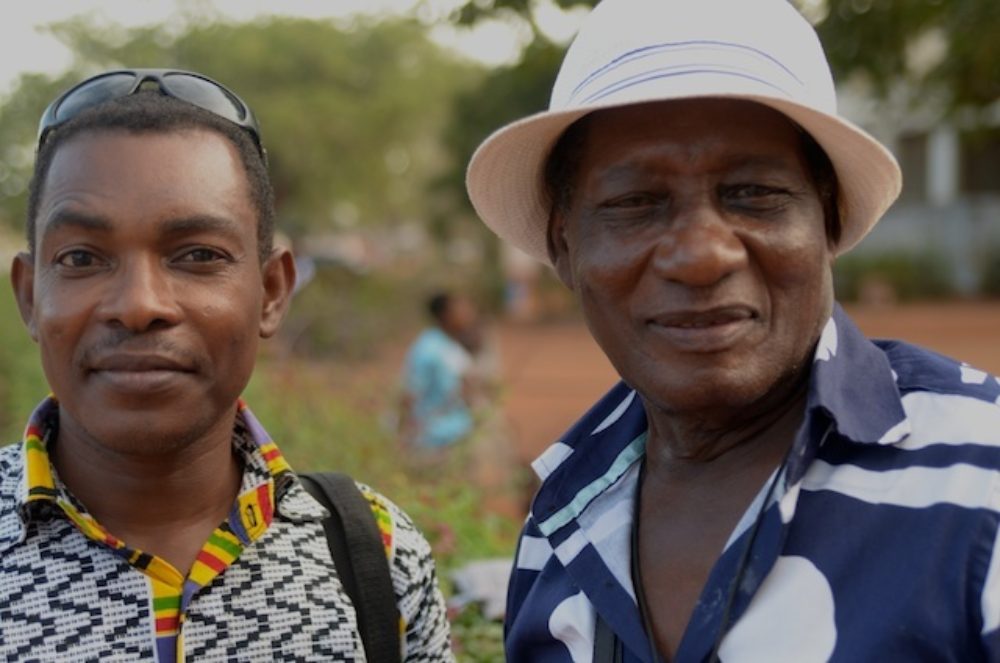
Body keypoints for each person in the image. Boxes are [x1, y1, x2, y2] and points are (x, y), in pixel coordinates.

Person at [465, 1, 1000, 661]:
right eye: (635, 202)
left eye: (754, 192)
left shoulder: (979, 479)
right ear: (565, 247)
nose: (700, 256)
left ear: (828, 221)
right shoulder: (562, 515)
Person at [1, 69, 453, 661]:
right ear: (31, 297)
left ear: (270, 292)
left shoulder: (374, 556)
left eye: (198, 255)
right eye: (82, 257)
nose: (139, 306)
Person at [399, 292, 485, 454]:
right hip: (431, 441)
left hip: (457, 434)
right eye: (461, 309)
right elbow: (410, 395)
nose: (468, 314)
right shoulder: (428, 349)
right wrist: (406, 436)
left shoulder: (451, 344)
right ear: (445, 315)